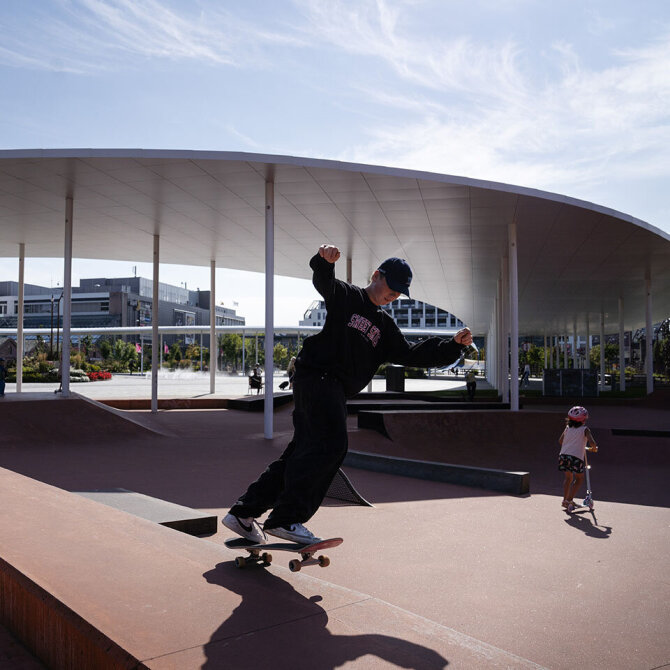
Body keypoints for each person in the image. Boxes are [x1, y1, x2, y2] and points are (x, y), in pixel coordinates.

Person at [223, 244, 473, 544]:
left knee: (300, 453)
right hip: (317, 376)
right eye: (389, 289)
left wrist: (452, 346)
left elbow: (411, 354)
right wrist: (324, 262)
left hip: (333, 390)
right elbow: (324, 283)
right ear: (376, 275)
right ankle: (287, 518)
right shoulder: (349, 296)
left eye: (397, 294)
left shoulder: (384, 326)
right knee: (332, 444)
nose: (391, 297)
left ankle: (243, 512)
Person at [558, 405, 598, 509]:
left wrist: (570, 444)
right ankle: (570, 500)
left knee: (568, 478)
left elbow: (561, 441)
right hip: (575, 458)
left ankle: (564, 500)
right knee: (579, 479)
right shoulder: (585, 429)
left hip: (563, 456)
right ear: (584, 419)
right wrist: (594, 448)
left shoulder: (567, 428)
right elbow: (592, 442)